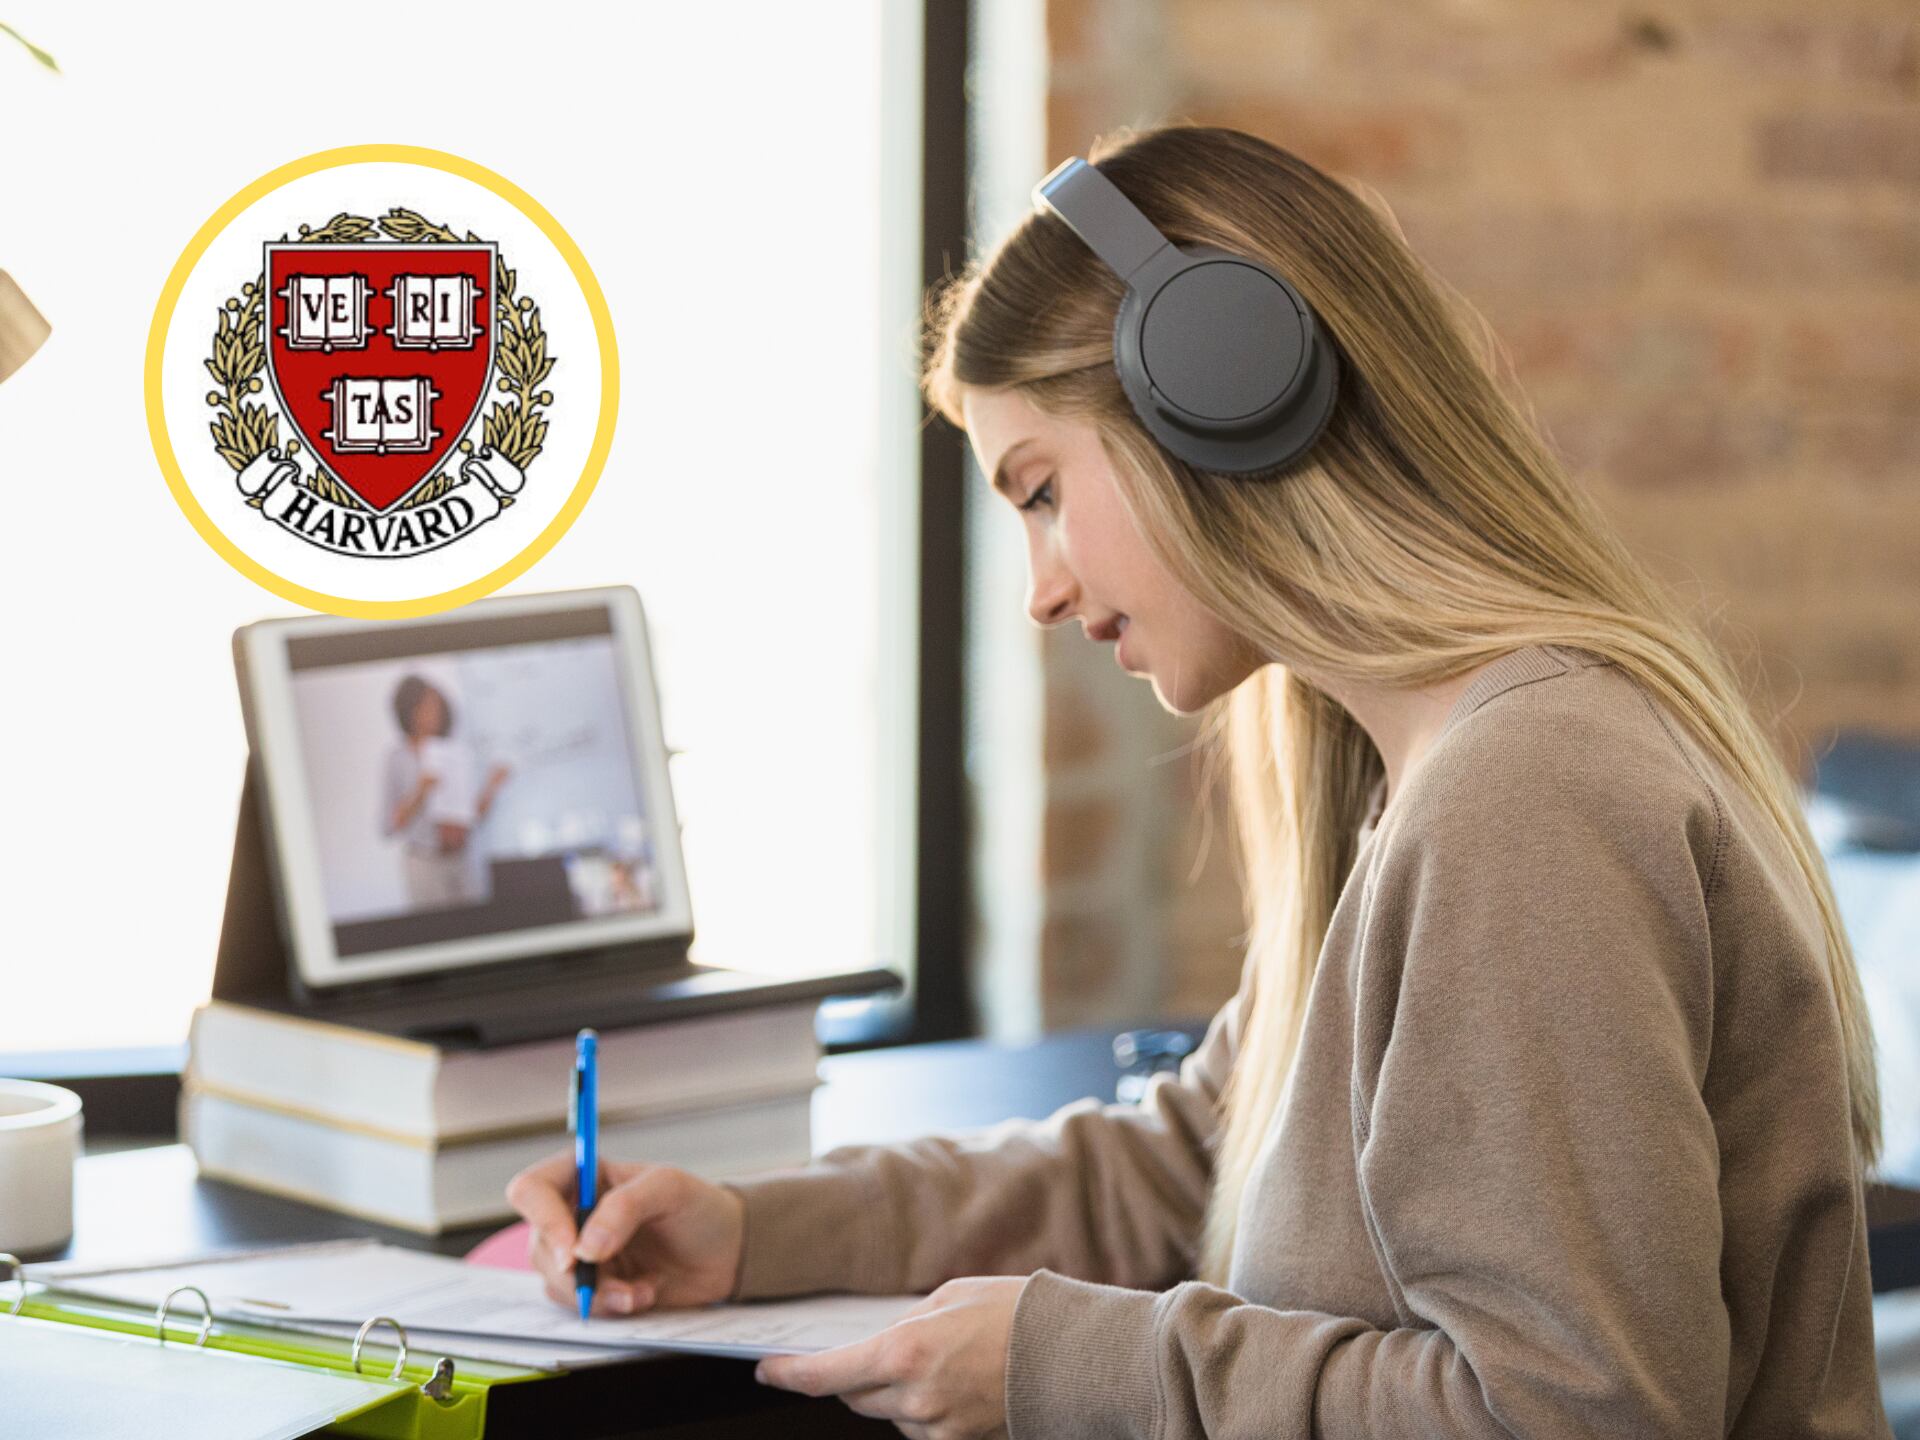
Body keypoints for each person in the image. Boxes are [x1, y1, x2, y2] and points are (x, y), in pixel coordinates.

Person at [507, 124, 1891, 1437]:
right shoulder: (1406, 770)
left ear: (1226, 387)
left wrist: (1074, 1369)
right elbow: (1188, 1159)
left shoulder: (1528, 797)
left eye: (1042, 490)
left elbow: (1571, 1416)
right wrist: (754, 1231)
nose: (1041, 590)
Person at [380, 674, 511, 910]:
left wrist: (492, 786)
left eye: (436, 705)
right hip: (425, 863)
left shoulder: (455, 754)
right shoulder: (397, 759)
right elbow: (388, 827)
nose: (433, 713)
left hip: (461, 860)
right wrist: (422, 789)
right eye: (425, 706)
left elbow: (472, 817)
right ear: (409, 710)